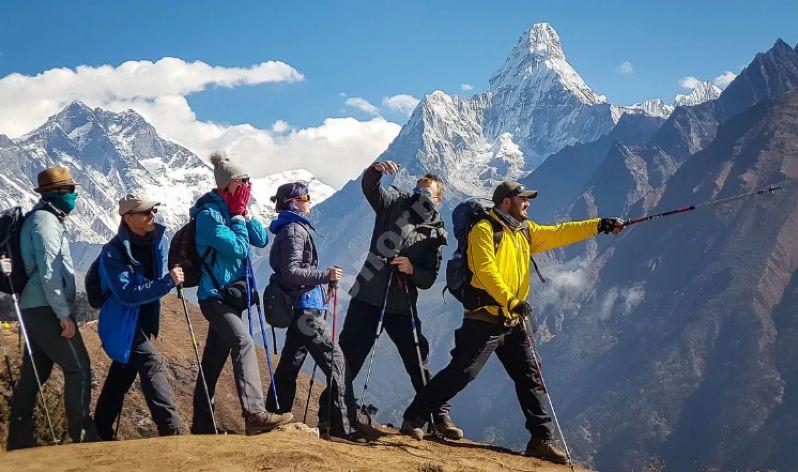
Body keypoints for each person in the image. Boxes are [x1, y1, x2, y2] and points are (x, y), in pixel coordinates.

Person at [400, 180, 626, 464]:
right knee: (463, 372)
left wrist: (599, 224)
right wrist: (511, 299)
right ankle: (414, 417)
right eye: (522, 199)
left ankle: (541, 439)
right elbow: (485, 270)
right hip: (485, 316)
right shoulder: (484, 229)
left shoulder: (524, 231)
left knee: (531, 375)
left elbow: (561, 233)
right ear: (506, 202)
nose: (527, 203)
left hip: (513, 318)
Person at [320, 160, 462, 439]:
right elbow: (370, 189)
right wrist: (375, 171)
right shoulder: (392, 206)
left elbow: (429, 278)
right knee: (349, 358)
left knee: (417, 359)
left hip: (402, 303)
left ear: (438, 199)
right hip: (368, 296)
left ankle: (437, 417)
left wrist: (412, 269)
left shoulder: (437, 234)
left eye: (427, 191)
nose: (421, 194)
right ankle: (330, 416)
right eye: (419, 188)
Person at [190, 151, 292, 435]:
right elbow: (238, 248)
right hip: (214, 297)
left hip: (232, 299)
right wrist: (236, 215)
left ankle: (200, 425)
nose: (248, 185)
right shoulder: (208, 216)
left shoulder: (234, 209)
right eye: (242, 181)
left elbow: (260, 239)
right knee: (244, 342)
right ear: (227, 184)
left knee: (212, 362)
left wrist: (244, 211)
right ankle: (255, 415)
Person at [265, 182, 364, 442]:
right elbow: (291, 272)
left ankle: (275, 416)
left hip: (302, 307)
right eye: (305, 197)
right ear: (293, 202)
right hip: (306, 310)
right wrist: (325, 276)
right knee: (336, 362)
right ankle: (342, 427)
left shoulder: (290, 228)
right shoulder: (295, 231)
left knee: (289, 365)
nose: (310, 201)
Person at [7, 167, 98, 449]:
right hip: (46, 307)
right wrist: (63, 314)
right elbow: (49, 272)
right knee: (79, 369)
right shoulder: (45, 222)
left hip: (33, 307)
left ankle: (19, 441)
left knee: (35, 373)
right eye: (71, 190)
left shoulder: (39, 218)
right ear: (57, 193)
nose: (75, 195)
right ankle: (83, 438)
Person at [93, 195, 185, 439]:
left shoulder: (157, 240)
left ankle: (99, 430)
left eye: (153, 209)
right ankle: (171, 428)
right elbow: (127, 295)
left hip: (144, 319)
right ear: (128, 217)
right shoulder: (112, 253)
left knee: (122, 373)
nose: (152, 215)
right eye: (145, 212)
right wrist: (167, 282)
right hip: (122, 321)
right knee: (150, 362)